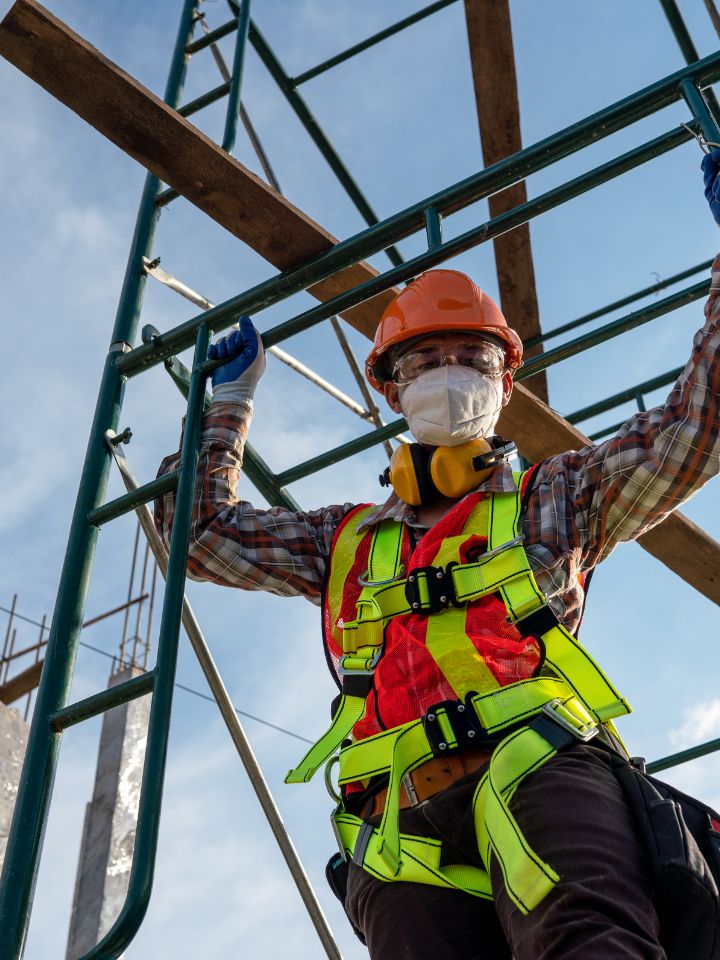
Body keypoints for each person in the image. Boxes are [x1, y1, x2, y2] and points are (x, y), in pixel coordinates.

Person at [155, 155, 720, 960]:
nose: (448, 373)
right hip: (397, 825)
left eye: (471, 357)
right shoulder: (343, 540)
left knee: (590, 945)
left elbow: (689, 435)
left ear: (505, 382)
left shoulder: (556, 499)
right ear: (391, 387)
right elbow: (202, 538)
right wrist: (225, 411)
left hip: (541, 770)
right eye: (425, 359)